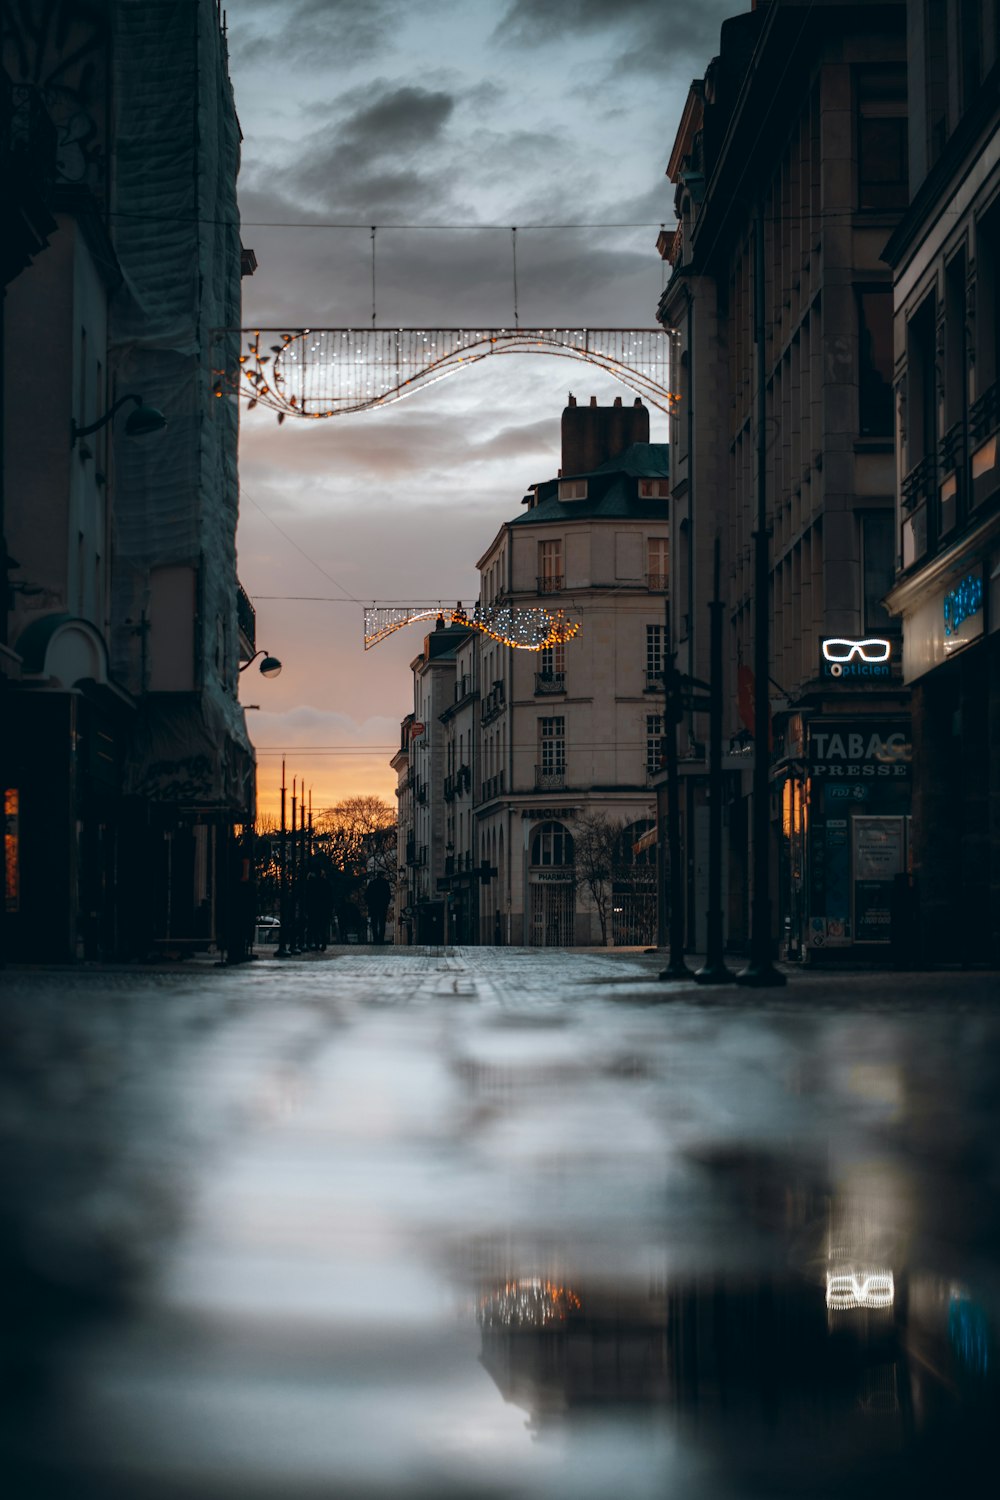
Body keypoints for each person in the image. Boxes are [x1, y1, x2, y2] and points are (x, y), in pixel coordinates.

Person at [365, 873, 391, 944]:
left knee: (374, 924)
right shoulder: (385, 883)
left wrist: (369, 904)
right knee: (382, 923)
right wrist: (386, 904)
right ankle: (381, 939)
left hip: (374, 906)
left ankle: (375, 939)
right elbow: (388, 895)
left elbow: (367, 895)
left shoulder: (372, 883)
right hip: (382, 906)